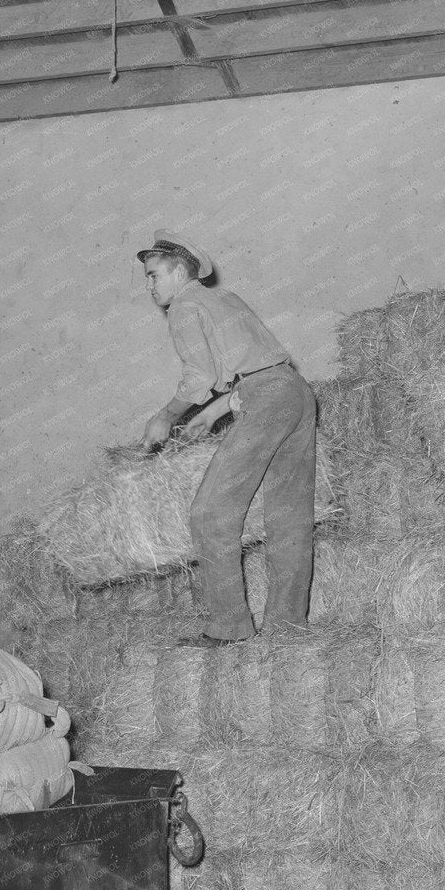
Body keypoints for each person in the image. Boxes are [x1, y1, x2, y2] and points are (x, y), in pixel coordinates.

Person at [137, 230, 317, 646]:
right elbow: (261, 365)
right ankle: (287, 628)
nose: (150, 286)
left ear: (179, 271)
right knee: (289, 515)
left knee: (210, 513)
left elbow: (199, 377)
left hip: (265, 400)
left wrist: (165, 417)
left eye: (153, 275)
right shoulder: (224, 299)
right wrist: (214, 412)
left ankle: (228, 628)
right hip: (294, 393)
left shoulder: (184, 306)